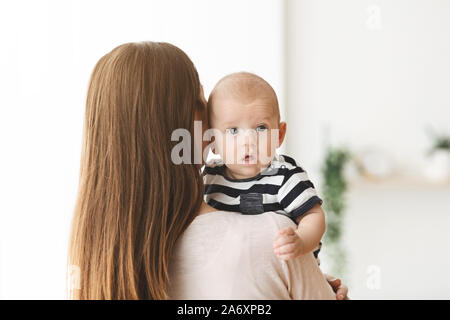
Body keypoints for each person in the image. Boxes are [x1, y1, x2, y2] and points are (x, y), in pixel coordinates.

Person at [68, 41, 348, 300]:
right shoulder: (273, 238)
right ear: (183, 126)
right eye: (201, 102)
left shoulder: (98, 260)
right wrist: (304, 279)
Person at [204, 72, 324, 264]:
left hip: (287, 270)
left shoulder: (285, 175)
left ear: (280, 134)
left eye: (260, 128)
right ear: (213, 141)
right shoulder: (210, 177)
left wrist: (301, 241)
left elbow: (313, 215)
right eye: (233, 131)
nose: (248, 141)